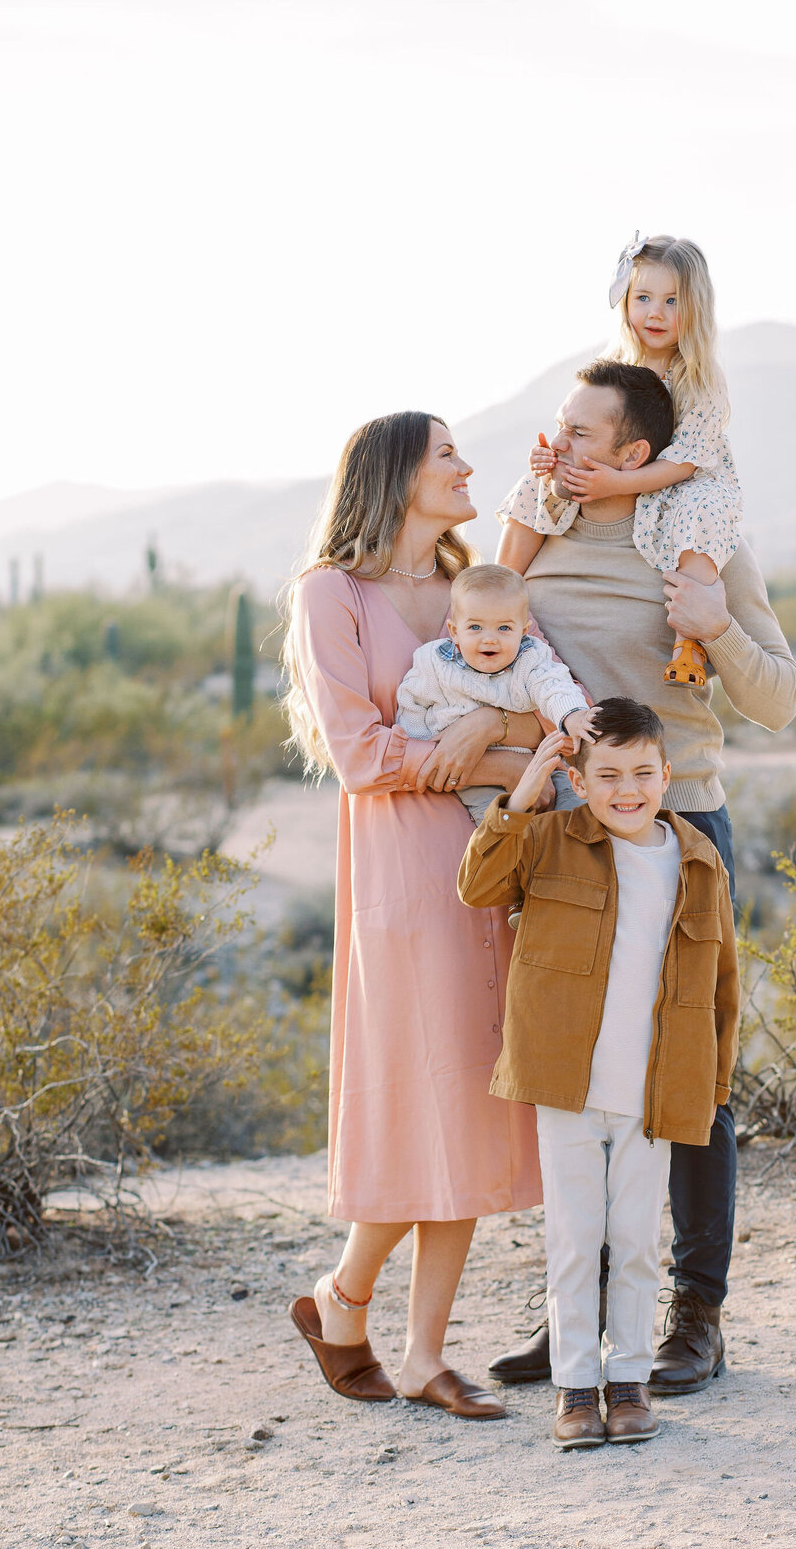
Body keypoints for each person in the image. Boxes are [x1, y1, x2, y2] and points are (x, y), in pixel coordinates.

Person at [484, 358, 796, 1396]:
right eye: (555, 427)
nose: (556, 445)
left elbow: (781, 700)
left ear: (636, 454)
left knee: (688, 1072)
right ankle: (576, 1307)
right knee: (576, 1068)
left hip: (683, 820)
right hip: (574, 832)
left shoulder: (701, 545)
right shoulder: (539, 540)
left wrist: (710, 624)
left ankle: (696, 1315)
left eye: (581, 433)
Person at [280, 411, 543, 1421]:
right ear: (397, 475)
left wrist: (490, 724)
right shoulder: (329, 595)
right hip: (401, 874)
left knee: (470, 1103)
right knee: (421, 1094)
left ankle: (418, 1349)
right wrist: (495, 750)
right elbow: (360, 754)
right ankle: (347, 1304)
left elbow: (550, 705)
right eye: (448, 454)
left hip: (492, 868)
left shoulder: (476, 591)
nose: (469, 466)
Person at [458, 700, 740, 1449]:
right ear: (578, 781)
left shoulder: (696, 860)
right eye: (606, 774)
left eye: (643, 773)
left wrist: (711, 1088)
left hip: (654, 1089)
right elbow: (478, 884)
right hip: (567, 1084)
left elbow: (722, 984)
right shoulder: (547, 841)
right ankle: (576, 1388)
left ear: (666, 776)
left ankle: (629, 1383)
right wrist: (523, 793)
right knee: (578, 1238)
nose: (627, 789)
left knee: (639, 1241)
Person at [498, 233, 740, 689]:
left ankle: (689, 636)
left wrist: (616, 484)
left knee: (702, 512)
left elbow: (684, 464)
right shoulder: (615, 364)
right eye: (643, 297)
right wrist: (550, 456)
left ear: (696, 308)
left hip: (680, 479)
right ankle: (496, 593)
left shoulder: (700, 378)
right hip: (616, 469)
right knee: (534, 484)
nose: (655, 312)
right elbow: (580, 428)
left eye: (672, 301)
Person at [395, 562, 596, 826]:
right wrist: (427, 747)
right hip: (478, 774)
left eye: (504, 628)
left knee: (577, 813)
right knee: (500, 827)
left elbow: (554, 686)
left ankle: (574, 856)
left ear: (523, 631)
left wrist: (572, 715)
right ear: (454, 631)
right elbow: (412, 704)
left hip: (538, 761)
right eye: (476, 628)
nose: (489, 639)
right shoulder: (434, 663)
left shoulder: (530, 657)